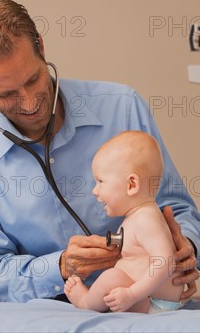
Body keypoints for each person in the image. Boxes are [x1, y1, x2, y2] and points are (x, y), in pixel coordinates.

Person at [0, 0, 200, 302]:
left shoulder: (123, 108)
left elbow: (180, 211)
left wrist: (186, 249)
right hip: (42, 315)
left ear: (41, 47)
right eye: (7, 95)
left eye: (33, 79)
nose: (29, 103)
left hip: (140, 303)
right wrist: (60, 267)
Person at [65, 131, 182, 314]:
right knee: (114, 276)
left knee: (111, 277)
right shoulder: (137, 217)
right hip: (146, 298)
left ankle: (86, 302)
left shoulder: (145, 219)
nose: (95, 191)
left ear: (131, 185)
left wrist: (132, 294)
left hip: (152, 302)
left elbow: (164, 263)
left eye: (100, 181)